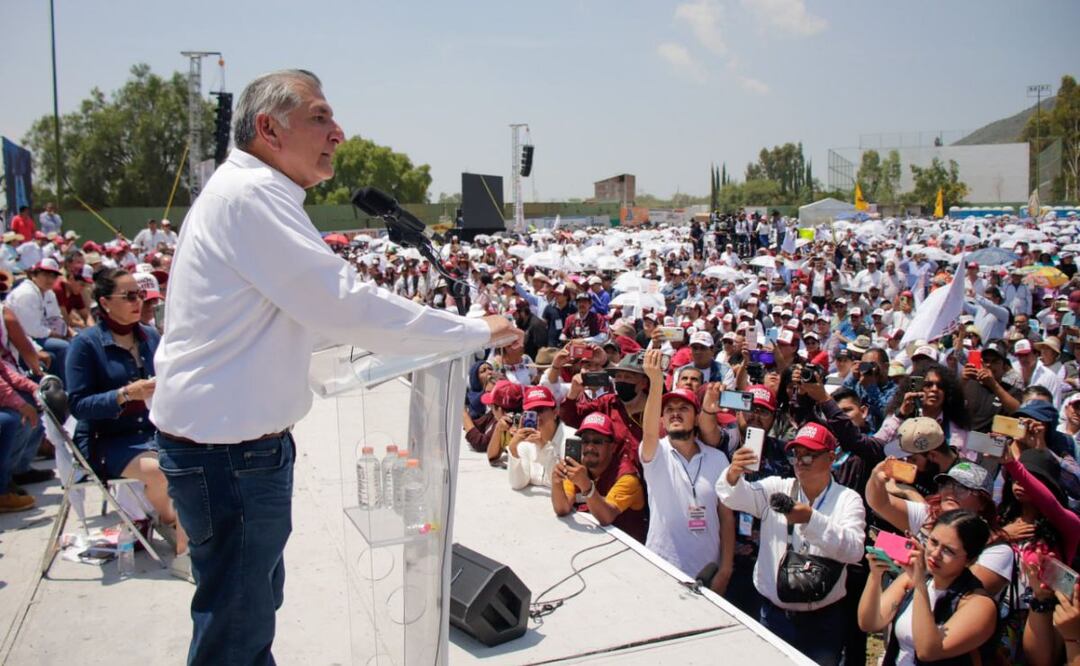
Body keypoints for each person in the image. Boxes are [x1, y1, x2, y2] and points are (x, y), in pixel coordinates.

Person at [150, 70, 519, 665]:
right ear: (268, 128)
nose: (338, 133)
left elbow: (315, 310)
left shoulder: (252, 194)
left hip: (233, 451)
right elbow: (342, 304)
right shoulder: (250, 197)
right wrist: (473, 331)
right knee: (235, 631)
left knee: (245, 613)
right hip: (230, 457)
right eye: (319, 117)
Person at [65, 269, 189, 564]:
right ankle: (176, 532)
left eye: (141, 295)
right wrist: (123, 395)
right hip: (106, 439)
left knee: (195, 460)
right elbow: (79, 405)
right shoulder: (85, 345)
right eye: (130, 296)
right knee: (162, 471)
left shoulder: (150, 337)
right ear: (106, 302)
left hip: (151, 432)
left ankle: (184, 538)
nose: (139, 301)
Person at [717, 422, 866, 665]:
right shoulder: (778, 486)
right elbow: (734, 497)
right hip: (774, 616)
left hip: (822, 622)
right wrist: (733, 474)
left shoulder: (848, 500)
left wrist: (810, 520)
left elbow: (854, 550)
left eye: (808, 456)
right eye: (795, 454)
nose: (799, 462)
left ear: (831, 458)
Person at [639, 350, 734, 591]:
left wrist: (725, 569)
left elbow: (726, 517)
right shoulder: (655, 453)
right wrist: (655, 381)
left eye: (683, 408)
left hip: (708, 573)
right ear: (662, 419)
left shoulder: (718, 459)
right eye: (669, 409)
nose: (675, 413)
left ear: (696, 418)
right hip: (659, 568)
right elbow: (649, 432)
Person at [858, 509, 997, 665]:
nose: (936, 553)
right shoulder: (909, 581)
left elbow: (927, 651)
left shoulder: (978, 604)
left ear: (969, 559)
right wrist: (875, 575)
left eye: (948, 550)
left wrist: (919, 584)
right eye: (933, 542)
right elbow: (869, 623)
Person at [550, 411, 646, 542]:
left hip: (626, 551)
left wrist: (586, 485)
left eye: (597, 441)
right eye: (585, 441)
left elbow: (606, 517)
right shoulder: (577, 467)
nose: (589, 447)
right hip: (587, 542)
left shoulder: (627, 477)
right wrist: (556, 482)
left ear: (612, 447)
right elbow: (562, 508)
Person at [5, 258, 70, 384]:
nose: (50, 280)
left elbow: (55, 318)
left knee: (76, 338)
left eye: (53, 276)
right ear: (34, 275)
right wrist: (56, 334)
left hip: (38, 335)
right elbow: (31, 330)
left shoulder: (48, 292)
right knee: (63, 347)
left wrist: (66, 332)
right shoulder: (26, 293)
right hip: (21, 340)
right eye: (45, 275)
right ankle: (65, 387)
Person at [506, 386, 564, 490]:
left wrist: (545, 446)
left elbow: (561, 483)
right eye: (530, 412)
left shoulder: (569, 439)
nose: (536, 416)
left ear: (555, 412)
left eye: (540, 410)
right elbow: (517, 483)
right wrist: (513, 448)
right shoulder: (525, 443)